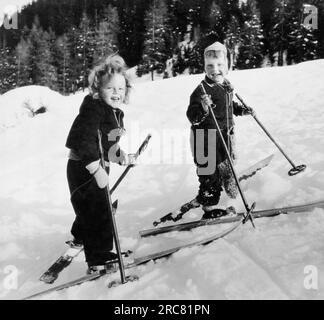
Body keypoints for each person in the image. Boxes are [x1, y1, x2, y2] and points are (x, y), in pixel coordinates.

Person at [65, 55, 135, 271]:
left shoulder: (111, 112)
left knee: (92, 207)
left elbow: (106, 144)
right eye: (110, 88)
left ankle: (81, 235)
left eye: (121, 89)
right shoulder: (93, 109)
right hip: (83, 168)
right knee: (99, 210)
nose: (116, 93)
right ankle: (99, 257)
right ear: (98, 89)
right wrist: (95, 168)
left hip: (95, 166)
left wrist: (121, 156)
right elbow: (85, 140)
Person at [186, 42, 254, 219]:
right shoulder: (201, 91)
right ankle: (209, 208)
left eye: (220, 65)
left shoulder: (226, 86)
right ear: (204, 67)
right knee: (209, 172)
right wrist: (203, 108)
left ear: (228, 66)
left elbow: (229, 107)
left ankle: (228, 185)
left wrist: (241, 110)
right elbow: (192, 116)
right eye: (209, 66)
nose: (215, 70)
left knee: (225, 164)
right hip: (204, 138)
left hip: (224, 135)